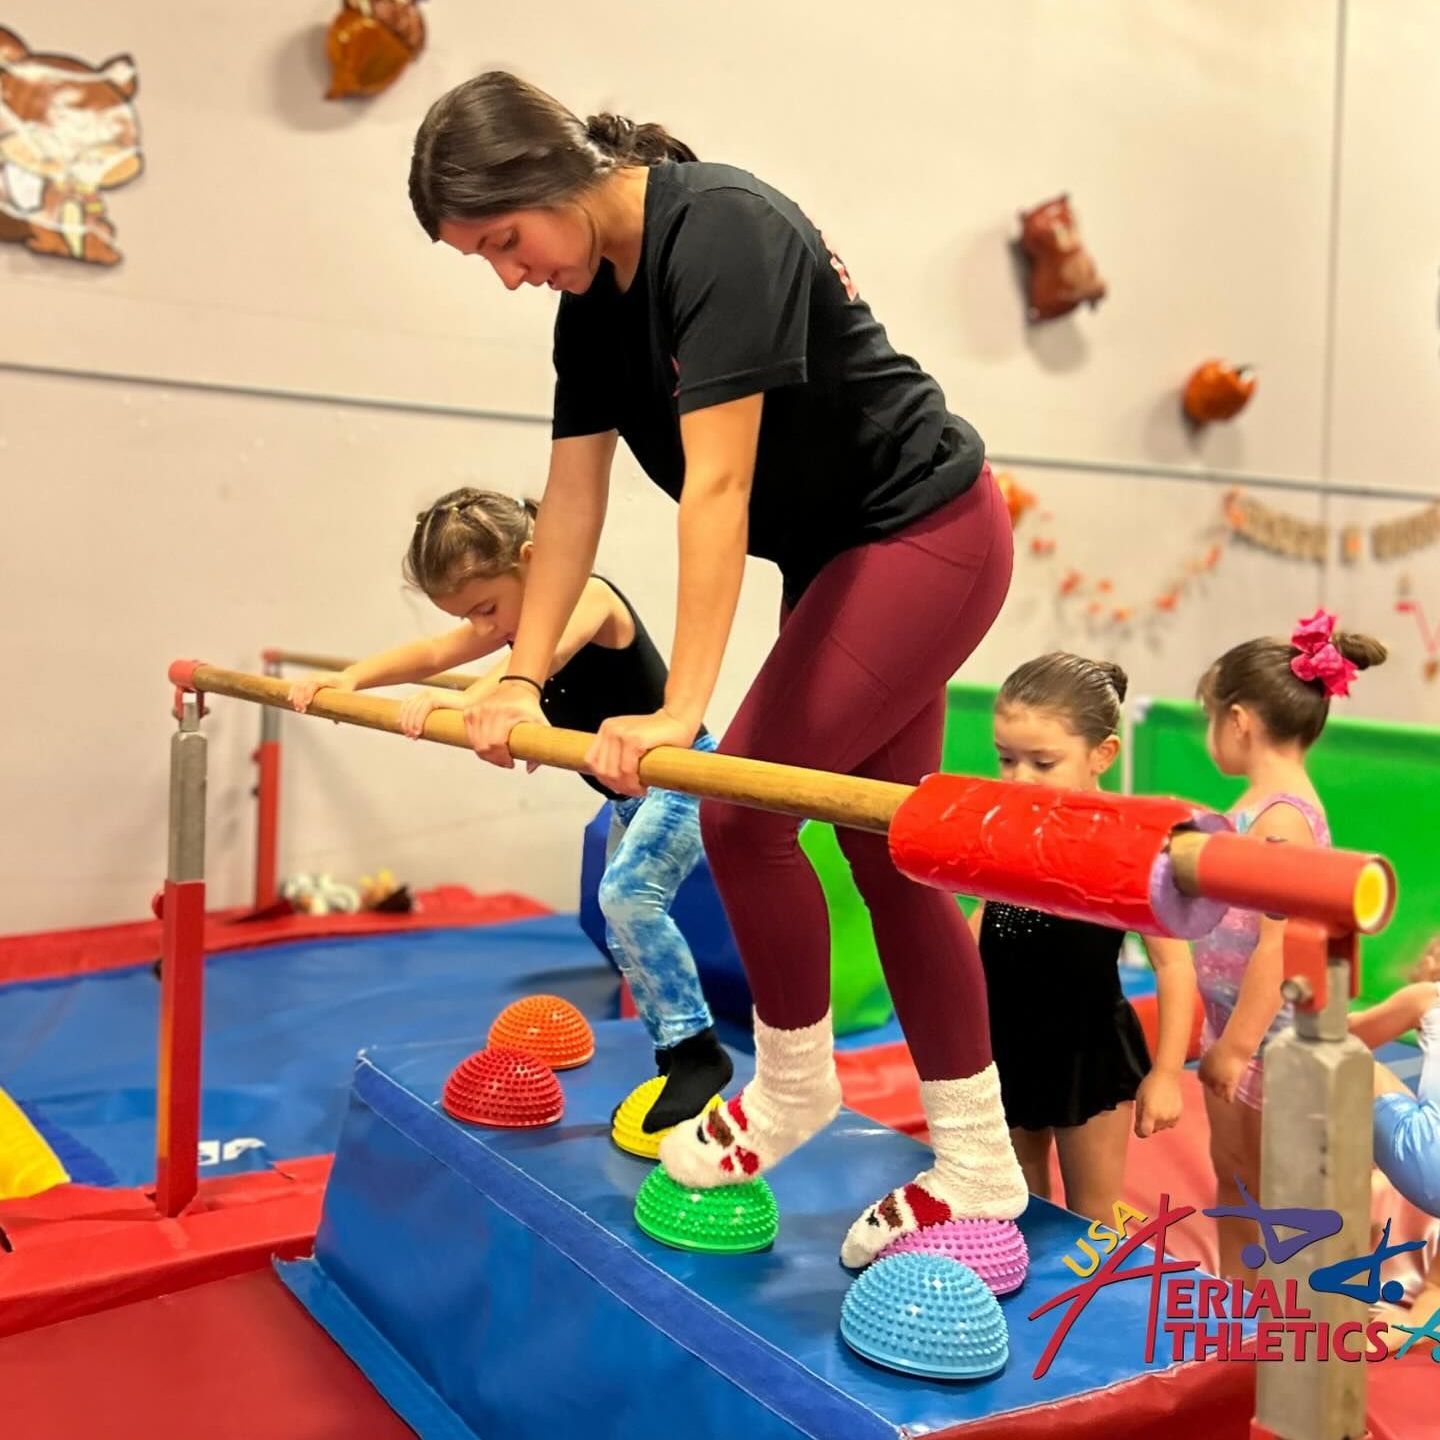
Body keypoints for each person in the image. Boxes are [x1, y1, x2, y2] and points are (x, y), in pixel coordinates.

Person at [408, 71, 1027, 1271]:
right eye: (476, 258)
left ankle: (794, 1087)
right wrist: (519, 681)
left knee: (742, 812)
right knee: (883, 847)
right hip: (844, 559)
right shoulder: (589, 303)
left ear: (547, 179)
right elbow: (571, 502)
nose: (507, 272)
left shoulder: (721, 231)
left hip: (928, 533)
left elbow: (718, 489)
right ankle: (978, 1161)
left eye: (502, 241)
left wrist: (683, 707)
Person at [288, 487, 732, 1133]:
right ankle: (674, 1056)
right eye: (473, 617)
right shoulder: (511, 623)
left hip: (683, 772)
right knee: (620, 923)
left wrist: (460, 701)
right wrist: (351, 679)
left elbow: (530, 667)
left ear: (533, 560)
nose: (490, 629)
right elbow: (437, 654)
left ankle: (698, 1052)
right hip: (628, 793)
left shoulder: (589, 598)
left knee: (628, 898)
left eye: (490, 608)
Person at [1193, 608, 1386, 1277]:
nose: (1209, 735)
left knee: (1271, 1188)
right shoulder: (1255, 808)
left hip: (1264, 1038)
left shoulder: (1281, 821)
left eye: (1209, 718)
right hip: (1235, 1024)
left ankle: (1283, 1322)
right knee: (1234, 1177)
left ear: (1239, 720)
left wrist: (1236, 1047)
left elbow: (1274, 950)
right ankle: (1237, 1309)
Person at [973, 654, 1195, 1225]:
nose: (1020, 777)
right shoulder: (1007, 827)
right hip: (1008, 1039)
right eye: (1006, 759)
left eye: (1043, 762)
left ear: (1103, 755)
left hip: (1087, 1049)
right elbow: (985, 919)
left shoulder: (1126, 844)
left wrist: (1166, 1073)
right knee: (1018, 1203)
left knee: (1092, 1212)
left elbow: (1173, 965)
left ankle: (1092, 1305)